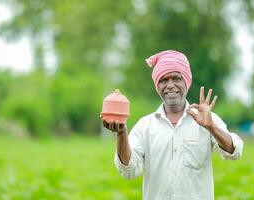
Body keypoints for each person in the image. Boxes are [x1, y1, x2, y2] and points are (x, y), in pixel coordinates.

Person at [101, 50, 243, 200]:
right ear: (157, 86)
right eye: (163, 80)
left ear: (186, 82)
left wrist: (211, 127)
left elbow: (234, 152)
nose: (170, 85)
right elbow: (129, 171)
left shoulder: (207, 119)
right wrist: (121, 133)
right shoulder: (145, 126)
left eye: (176, 78)